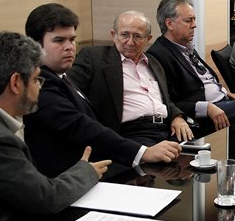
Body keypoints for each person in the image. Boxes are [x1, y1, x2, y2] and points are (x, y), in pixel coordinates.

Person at [0, 31, 110, 221]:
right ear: (16, 83)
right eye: (36, 79)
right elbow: (46, 198)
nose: (39, 87)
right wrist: (86, 171)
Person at [23, 3, 181, 177]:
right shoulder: (39, 85)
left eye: (72, 39)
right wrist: (143, 152)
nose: (69, 47)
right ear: (35, 45)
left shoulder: (62, 77)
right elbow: (81, 127)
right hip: (68, 179)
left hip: (94, 166)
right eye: (59, 40)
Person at [146, 0, 235, 134]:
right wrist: (206, 107)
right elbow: (167, 102)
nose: (194, 25)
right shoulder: (158, 55)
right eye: (188, 21)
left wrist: (223, 91)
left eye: (194, 19)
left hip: (224, 101)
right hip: (205, 116)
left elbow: (202, 79)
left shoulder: (185, 45)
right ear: (169, 24)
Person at [69, 10, 194, 146]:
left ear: (148, 39)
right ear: (114, 35)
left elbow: (166, 101)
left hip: (167, 128)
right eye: (124, 35)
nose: (130, 42)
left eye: (137, 36)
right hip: (131, 134)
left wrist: (177, 117)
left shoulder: (153, 62)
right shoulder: (95, 58)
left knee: (201, 151)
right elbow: (68, 91)